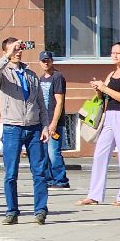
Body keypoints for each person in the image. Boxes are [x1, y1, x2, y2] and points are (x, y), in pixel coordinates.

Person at [0, 38, 49, 225]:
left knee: (39, 172)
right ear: (6, 51)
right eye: (14, 49)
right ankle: (12, 211)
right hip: (12, 128)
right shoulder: (3, 74)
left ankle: (40, 210)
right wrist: (7, 56)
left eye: (19, 48)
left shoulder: (30, 74)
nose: (18, 51)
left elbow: (41, 103)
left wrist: (45, 126)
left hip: (34, 128)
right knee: (11, 173)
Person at [77, 42, 120, 208]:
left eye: (118, 53)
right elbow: (104, 97)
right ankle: (94, 195)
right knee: (100, 154)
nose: (115, 55)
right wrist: (98, 89)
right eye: (112, 53)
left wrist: (104, 87)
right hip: (108, 115)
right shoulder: (112, 73)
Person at [35, 52, 70, 189]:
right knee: (44, 153)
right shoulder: (41, 79)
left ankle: (61, 179)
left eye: (48, 60)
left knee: (53, 152)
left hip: (54, 121)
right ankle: (49, 179)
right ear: (39, 62)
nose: (45, 63)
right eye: (43, 61)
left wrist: (54, 123)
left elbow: (59, 102)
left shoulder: (57, 77)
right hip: (43, 122)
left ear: (52, 61)